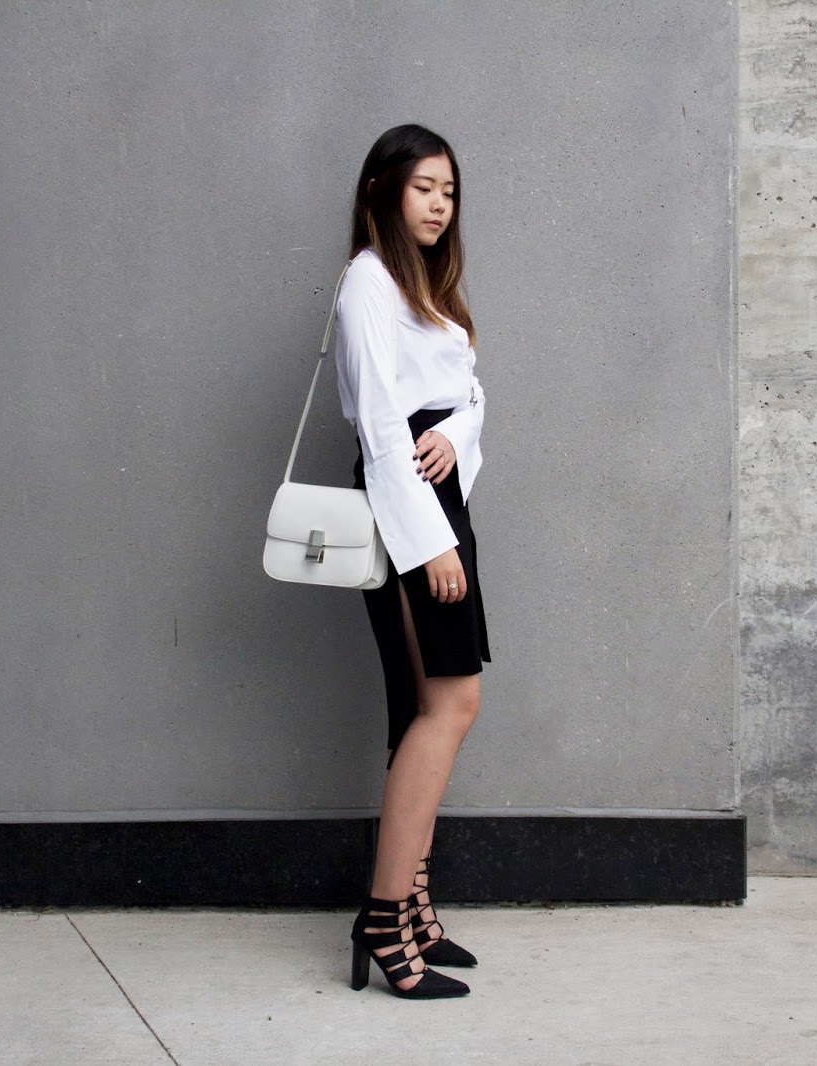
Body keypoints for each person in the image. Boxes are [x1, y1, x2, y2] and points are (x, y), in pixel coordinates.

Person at [333, 124, 490, 1000]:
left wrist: (457, 435)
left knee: (426, 706)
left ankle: (413, 907)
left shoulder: (428, 284)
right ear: (383, 190)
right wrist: (429, 540)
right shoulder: (368, 278)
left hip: (440, 494)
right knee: (447, 703)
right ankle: (387, 912)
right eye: (425, 187)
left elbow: (468, 392)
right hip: (409, 509)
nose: (440, 204)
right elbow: (379, 421)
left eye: (450, 191)